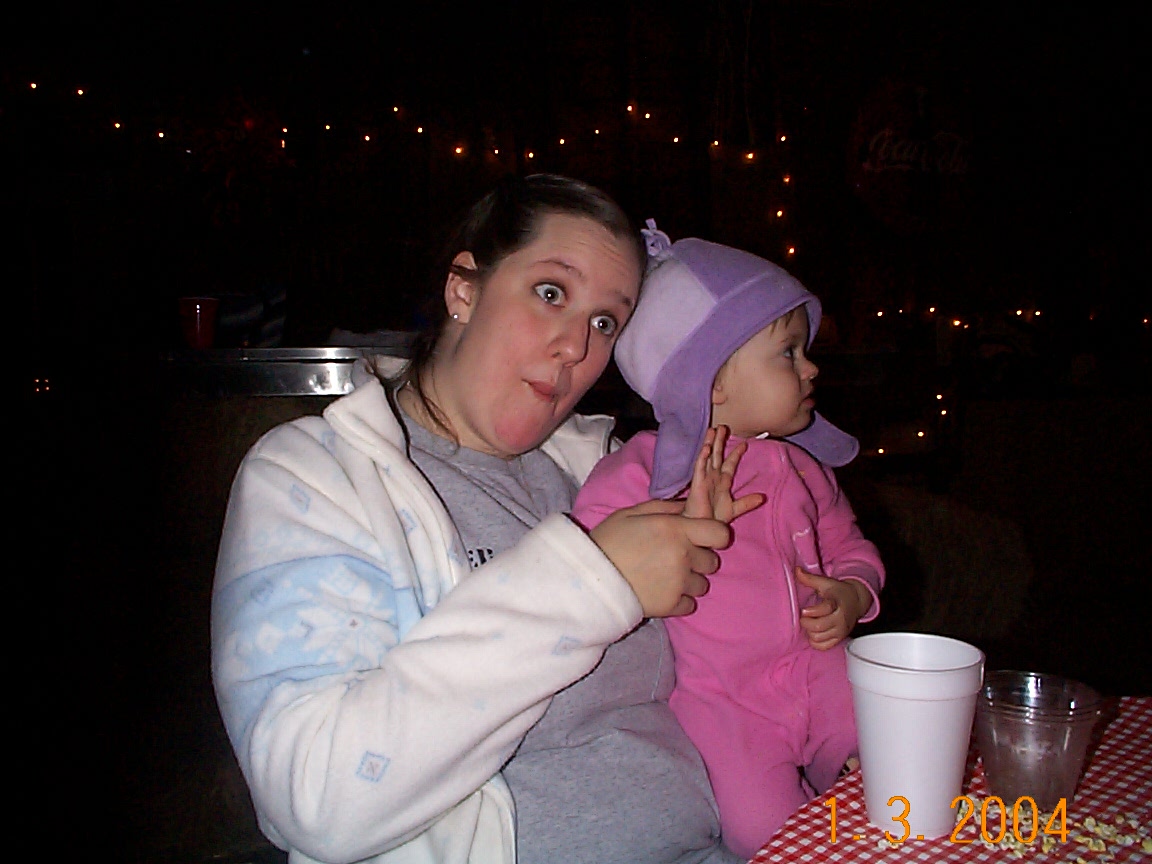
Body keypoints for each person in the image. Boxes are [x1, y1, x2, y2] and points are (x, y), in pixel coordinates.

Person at [211, 176, 747, 864]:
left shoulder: (607, 474)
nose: (575, 346)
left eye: (604, 322)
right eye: (550, 292)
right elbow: (314, 798)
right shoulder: (317, 478)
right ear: (463, 289)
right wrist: (590, 586)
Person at [572, 223, 886, 858]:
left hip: (822, 667)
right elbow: (589, 561)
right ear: (712, 379)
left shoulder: (804, 468)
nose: (811, 367)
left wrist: (854, 593)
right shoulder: (642, 472)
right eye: (788, 353)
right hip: (724, 702)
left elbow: (851, 547)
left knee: (893, 762)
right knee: (764, 831)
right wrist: (673, 525)